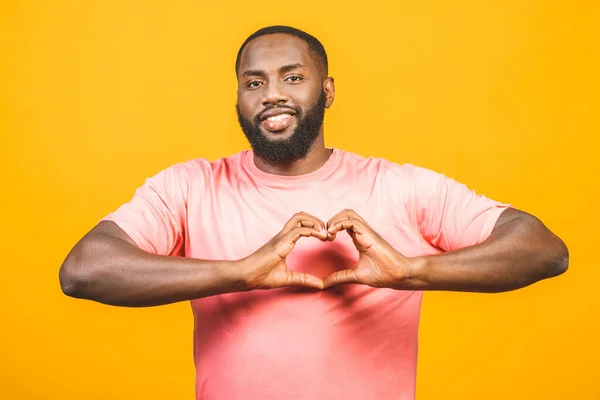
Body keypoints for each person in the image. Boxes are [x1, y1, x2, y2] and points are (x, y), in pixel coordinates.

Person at [59, 25, 569, 400]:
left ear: (326, 91)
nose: (272, 94)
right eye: (253, 82)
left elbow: (543, 250)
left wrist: (415, 270)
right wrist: (238, 273)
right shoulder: (190, 186)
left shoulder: (400, 186)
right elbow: (84, 271)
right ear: (238, 99)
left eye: (292, 77)